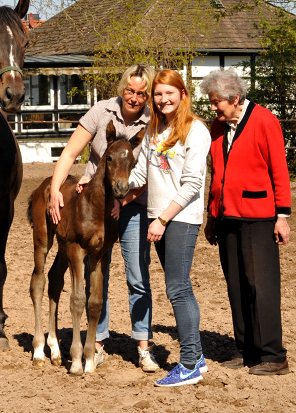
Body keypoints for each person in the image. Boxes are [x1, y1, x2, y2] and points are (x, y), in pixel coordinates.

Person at [49, 64, 159, 372]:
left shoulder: (152, 122)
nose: (134, 97)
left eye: (141, 93)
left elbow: (153, 170)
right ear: (122, 88)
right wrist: (56, 189)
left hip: (134, 202)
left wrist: (125, 199)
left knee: (138, 274)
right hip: (95, 204)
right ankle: (96, 342)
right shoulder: (101, 111)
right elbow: (70, 153)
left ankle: (143, 345)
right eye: (130, 90)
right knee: (99, 272)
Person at [117, 69, 211, 387]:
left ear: (183, 94)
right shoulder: (157, 128)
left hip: (180, 218)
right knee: (177, 288)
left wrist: (162, 219)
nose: (162, 99)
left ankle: (188, 365)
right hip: (160, 216)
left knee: (178, 288)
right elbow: (142, 175)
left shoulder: (195, 130)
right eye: (158, 94)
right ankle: (195, 357)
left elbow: (192, 184)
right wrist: (111, 186)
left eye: (169, 92)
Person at [200, 68, 291, 376]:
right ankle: (245, 349)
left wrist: (283, 216)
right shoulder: (217, 125)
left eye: (216, 102)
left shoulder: (265, 120)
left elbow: (279, 168)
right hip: (226, 215)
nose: (213, 107)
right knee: (236, 285)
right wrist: (212, 216)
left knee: (260, 286)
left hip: (259, 217)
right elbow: (216, 174)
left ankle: (273, 354)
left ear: (235, 98)